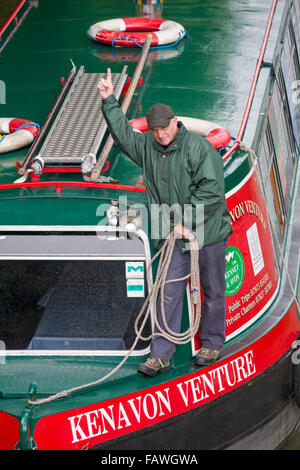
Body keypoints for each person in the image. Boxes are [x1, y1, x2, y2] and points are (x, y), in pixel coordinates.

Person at [98, 68, 233, 376]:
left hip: (206, 233)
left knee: (212, 290)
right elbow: (123, 133)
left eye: (165, 129)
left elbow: (212, 191)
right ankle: (161, 355)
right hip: (171, 235)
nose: (160, 135)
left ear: (175, 122)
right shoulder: (147, 147)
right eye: (155, 130)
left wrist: (186, 223)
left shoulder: (199, 148)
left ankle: (212, 343)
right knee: (166, 292)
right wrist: (109, 100)